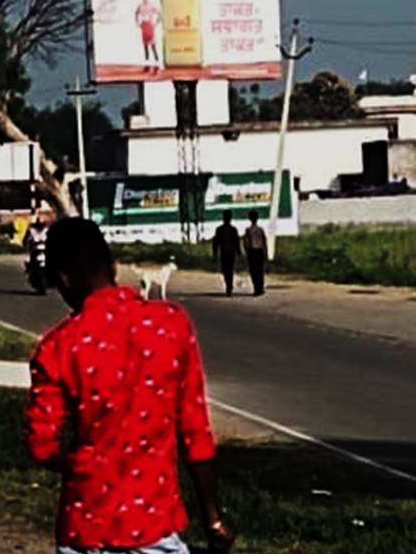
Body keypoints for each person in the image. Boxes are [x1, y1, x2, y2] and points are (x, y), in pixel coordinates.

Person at [25, 218, 234, 554]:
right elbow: (195, 432)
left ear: (62, 279)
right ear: (113, 266)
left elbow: (41, 445)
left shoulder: (57, 347)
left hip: (85, 528)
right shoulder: (172, 325)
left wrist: (83, 464)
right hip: (154, 527)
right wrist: (213, 519)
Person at [211, 211, 244, 297]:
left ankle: (228, 285)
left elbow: (216, 243)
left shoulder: (220, 229)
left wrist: (215, 254)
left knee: (226, 270)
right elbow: (237, 242)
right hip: (230, 253)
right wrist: (239, 252)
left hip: (224, 253)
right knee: (229, 270)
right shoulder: (233, 230)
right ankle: (229, 285)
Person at [134, 0, 162, 73]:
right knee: (145, 47)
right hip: (144, 25)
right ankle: (147, 65)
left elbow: (159, 13)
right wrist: (137, 23)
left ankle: (157, 65)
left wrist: (156, 23)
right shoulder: (140, 6)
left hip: (150, 26)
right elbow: (136, 13)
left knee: (153, 46)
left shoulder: (151, 5)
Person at [242, 210, 267, 297]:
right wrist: (265, 252)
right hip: (259, 251)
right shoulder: (260, 230)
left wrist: (246, 252)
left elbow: (246, 242)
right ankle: (260, 287)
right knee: (260, 270)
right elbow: (264, 241)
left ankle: (257, 288)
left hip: (252, 251)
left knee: (254, 271)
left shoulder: (248, 230)